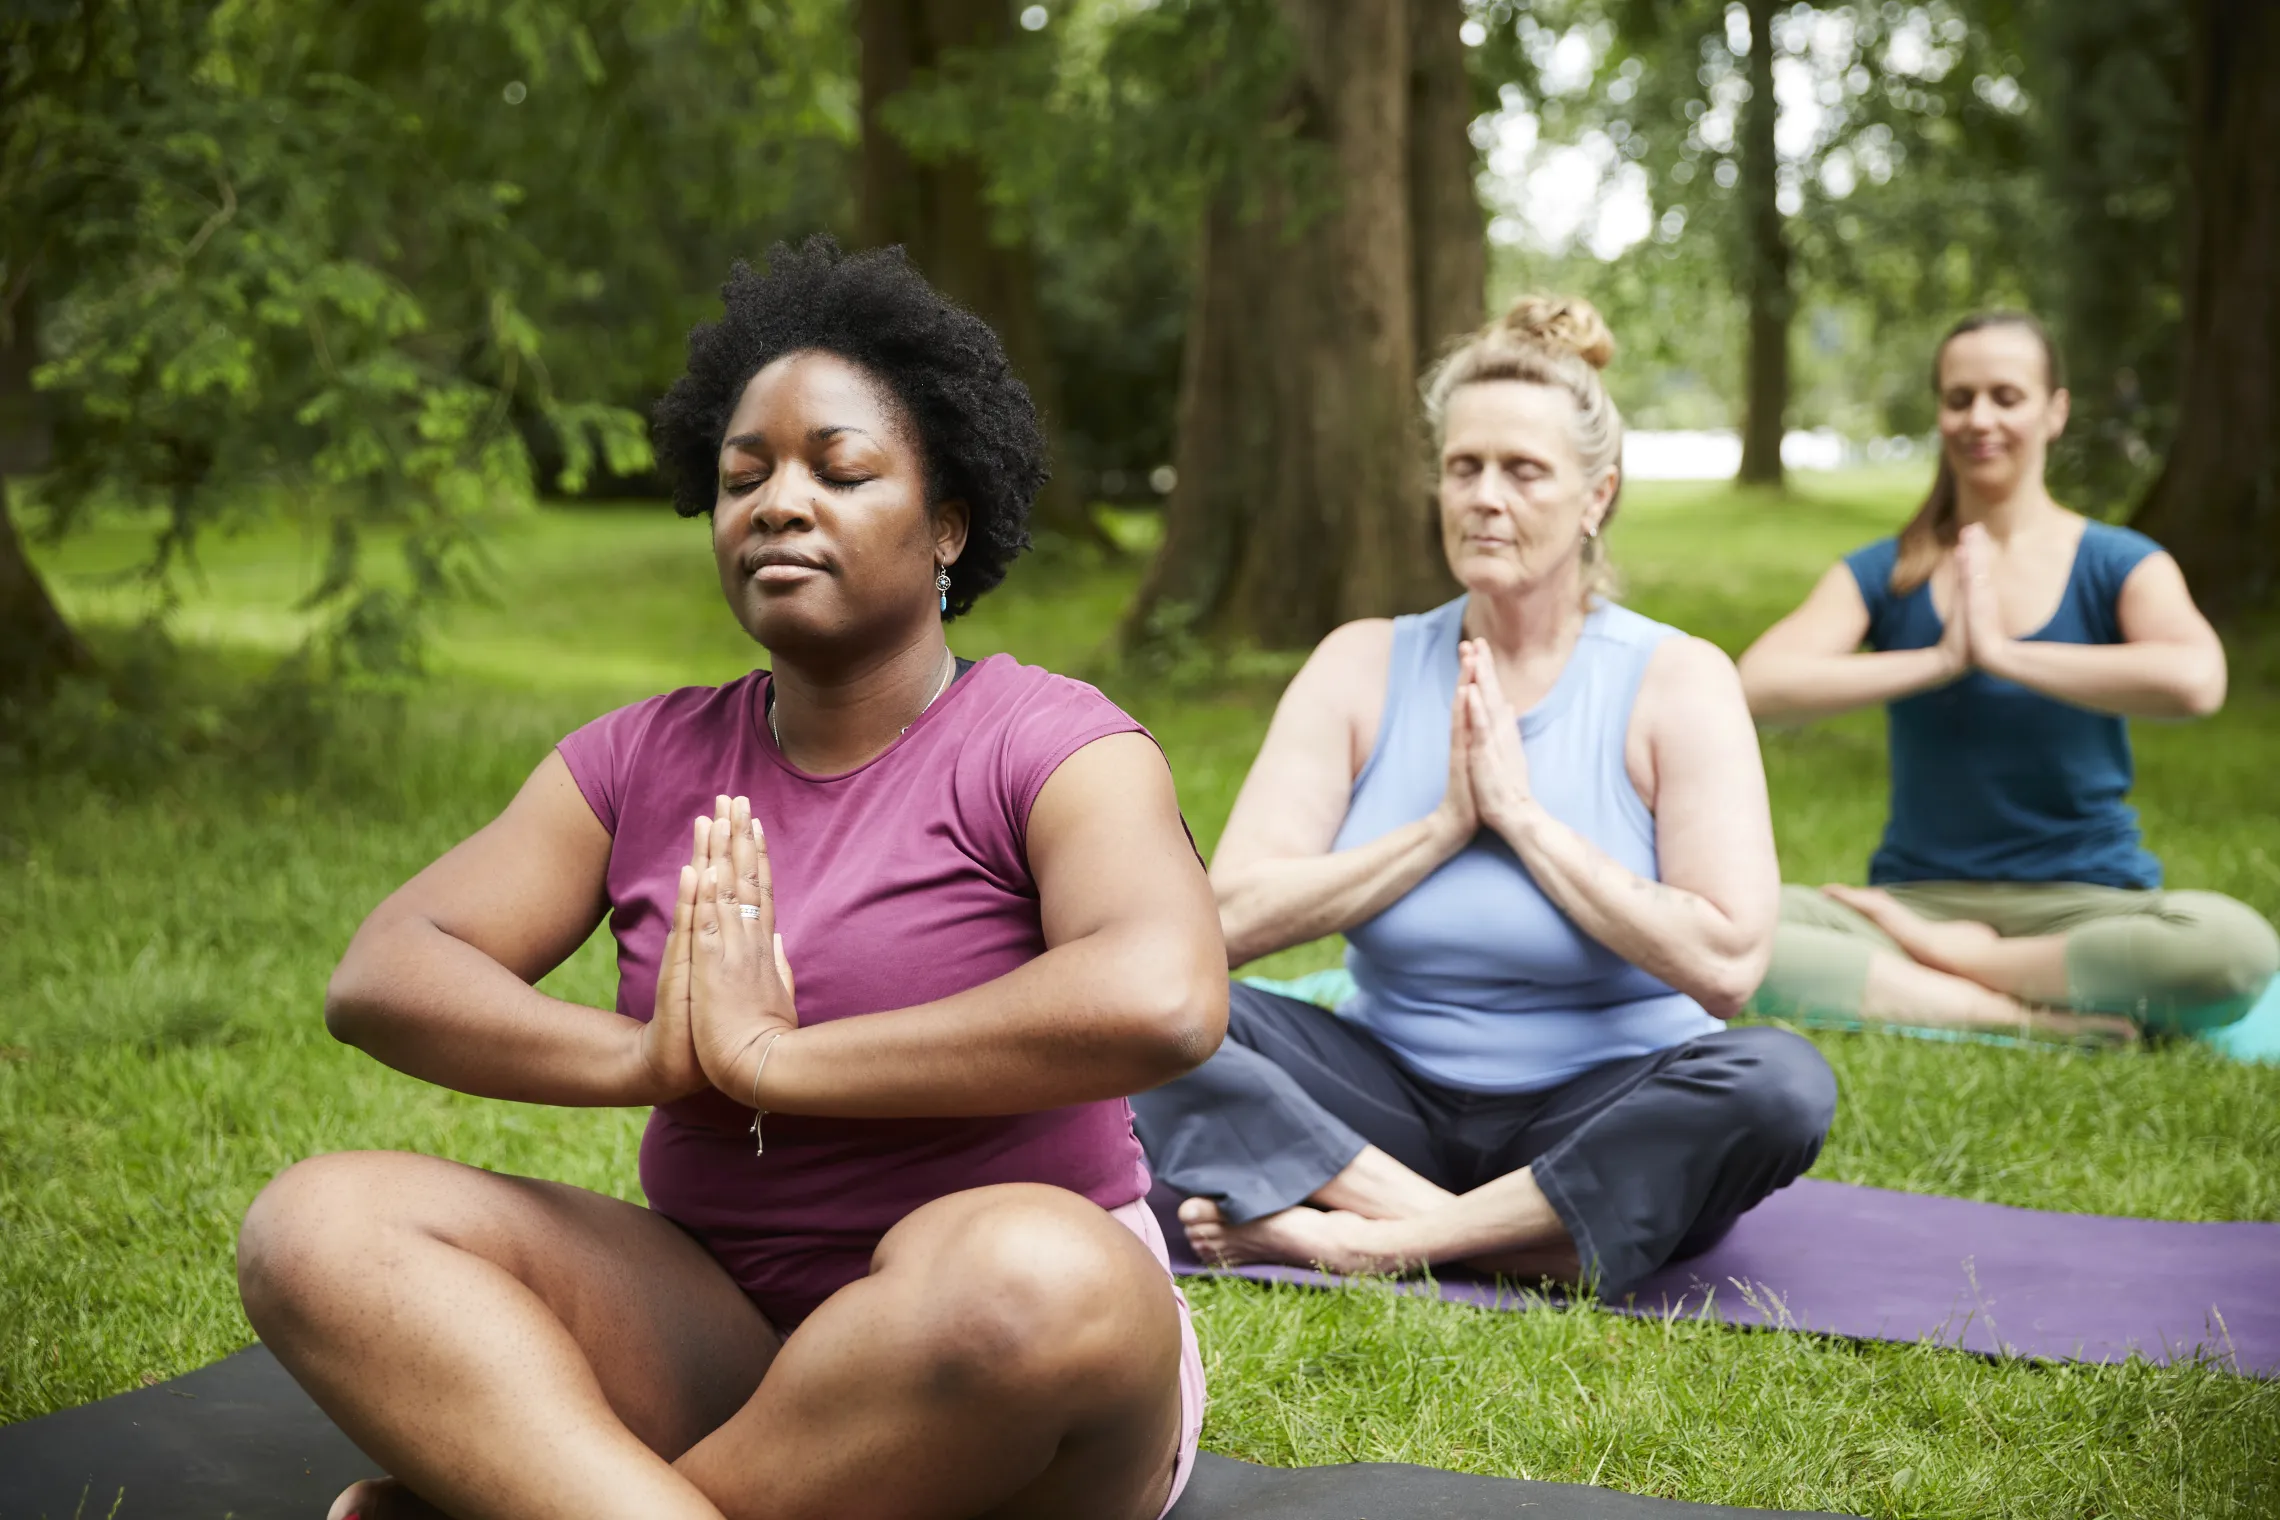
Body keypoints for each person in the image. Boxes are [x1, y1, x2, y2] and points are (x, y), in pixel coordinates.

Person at [235, 238, 1227, 1520]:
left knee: (1034, 1274)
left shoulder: (1050, 741)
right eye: (741, 478)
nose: (775, 502)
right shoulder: (643, 756)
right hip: (720, 1337)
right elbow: (386, 968)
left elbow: (1163, 996)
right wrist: (647, 1059)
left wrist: (773, 1058)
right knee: (321, 1227)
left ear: (946, 525)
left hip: (1000, 1367)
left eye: (840, 468)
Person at [1131, 296, 1835, 1299]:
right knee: (1143, 1003)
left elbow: (1726, 965)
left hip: (1597, 1105)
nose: (1485, 498)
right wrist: (1440, 828)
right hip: (1384, 1095)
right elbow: (1220, 923)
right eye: (1464, 468)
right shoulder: (1362, 663)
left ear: (1598, 495)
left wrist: (1525, 821)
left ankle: (1370, 1238)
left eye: (1524, 470)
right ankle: (1510, 1232)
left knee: (1779, 1085)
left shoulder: (1678, 681)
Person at [1738, 311, 2277, 1042]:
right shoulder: (1886, 571)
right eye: (1959, 399)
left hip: (2087, 910)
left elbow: (2196, 680)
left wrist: (2004, 655)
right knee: (1723, 924)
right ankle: (2022, 1016)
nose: (1979, 419)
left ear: (2055, 410)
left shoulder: (2118, 562)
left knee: (2234, 950)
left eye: (2006, 396)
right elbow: (1757, 686)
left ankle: (1962, 972)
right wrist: (1938, 662)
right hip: (1915, 905)